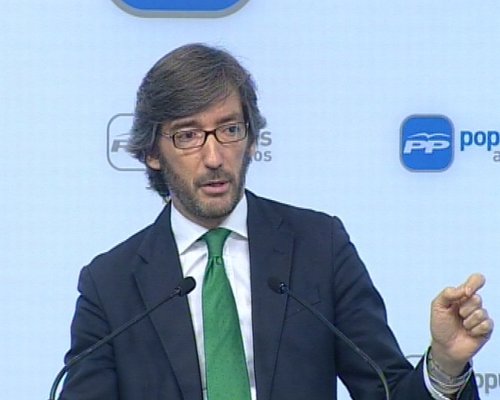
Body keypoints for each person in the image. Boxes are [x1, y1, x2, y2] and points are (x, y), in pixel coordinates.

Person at [59, 43, 494, 400]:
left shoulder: (319, 247)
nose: (214, 157)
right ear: (152, 152)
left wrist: (445, 363)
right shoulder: (110, 284)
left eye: (229, 129)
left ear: (251, 139)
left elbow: (385, 390)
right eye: (188, 135)